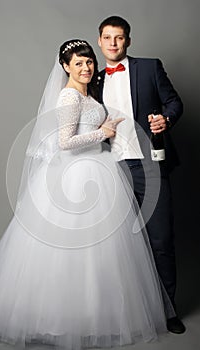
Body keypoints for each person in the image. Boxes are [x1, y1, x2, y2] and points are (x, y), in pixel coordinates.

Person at [0, 39, 175, 350]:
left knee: (104, 254)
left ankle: (94, 316)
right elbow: (65, 142)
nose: (86, 68)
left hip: (99, 168)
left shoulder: (88, 92)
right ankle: (63, 320)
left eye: (89, 62)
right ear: (65, 66)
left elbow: (84, 128)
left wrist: (103, 129)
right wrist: (103, 133)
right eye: (78, 63)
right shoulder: (68, 95)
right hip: (76, 175)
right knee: (72, 251)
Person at [97, 15, 185, 334]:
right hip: (111, 170)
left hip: (150, 166)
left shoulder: (149, 67)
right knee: (115, 247)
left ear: (128, 41)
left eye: (119, 37)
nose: (113, 43)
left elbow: (174, 102)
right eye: (107, 37)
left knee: (161, 240)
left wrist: (166, 119)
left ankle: (169, 311)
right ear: (99, 41)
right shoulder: (90, 78)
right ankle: (121, 313)